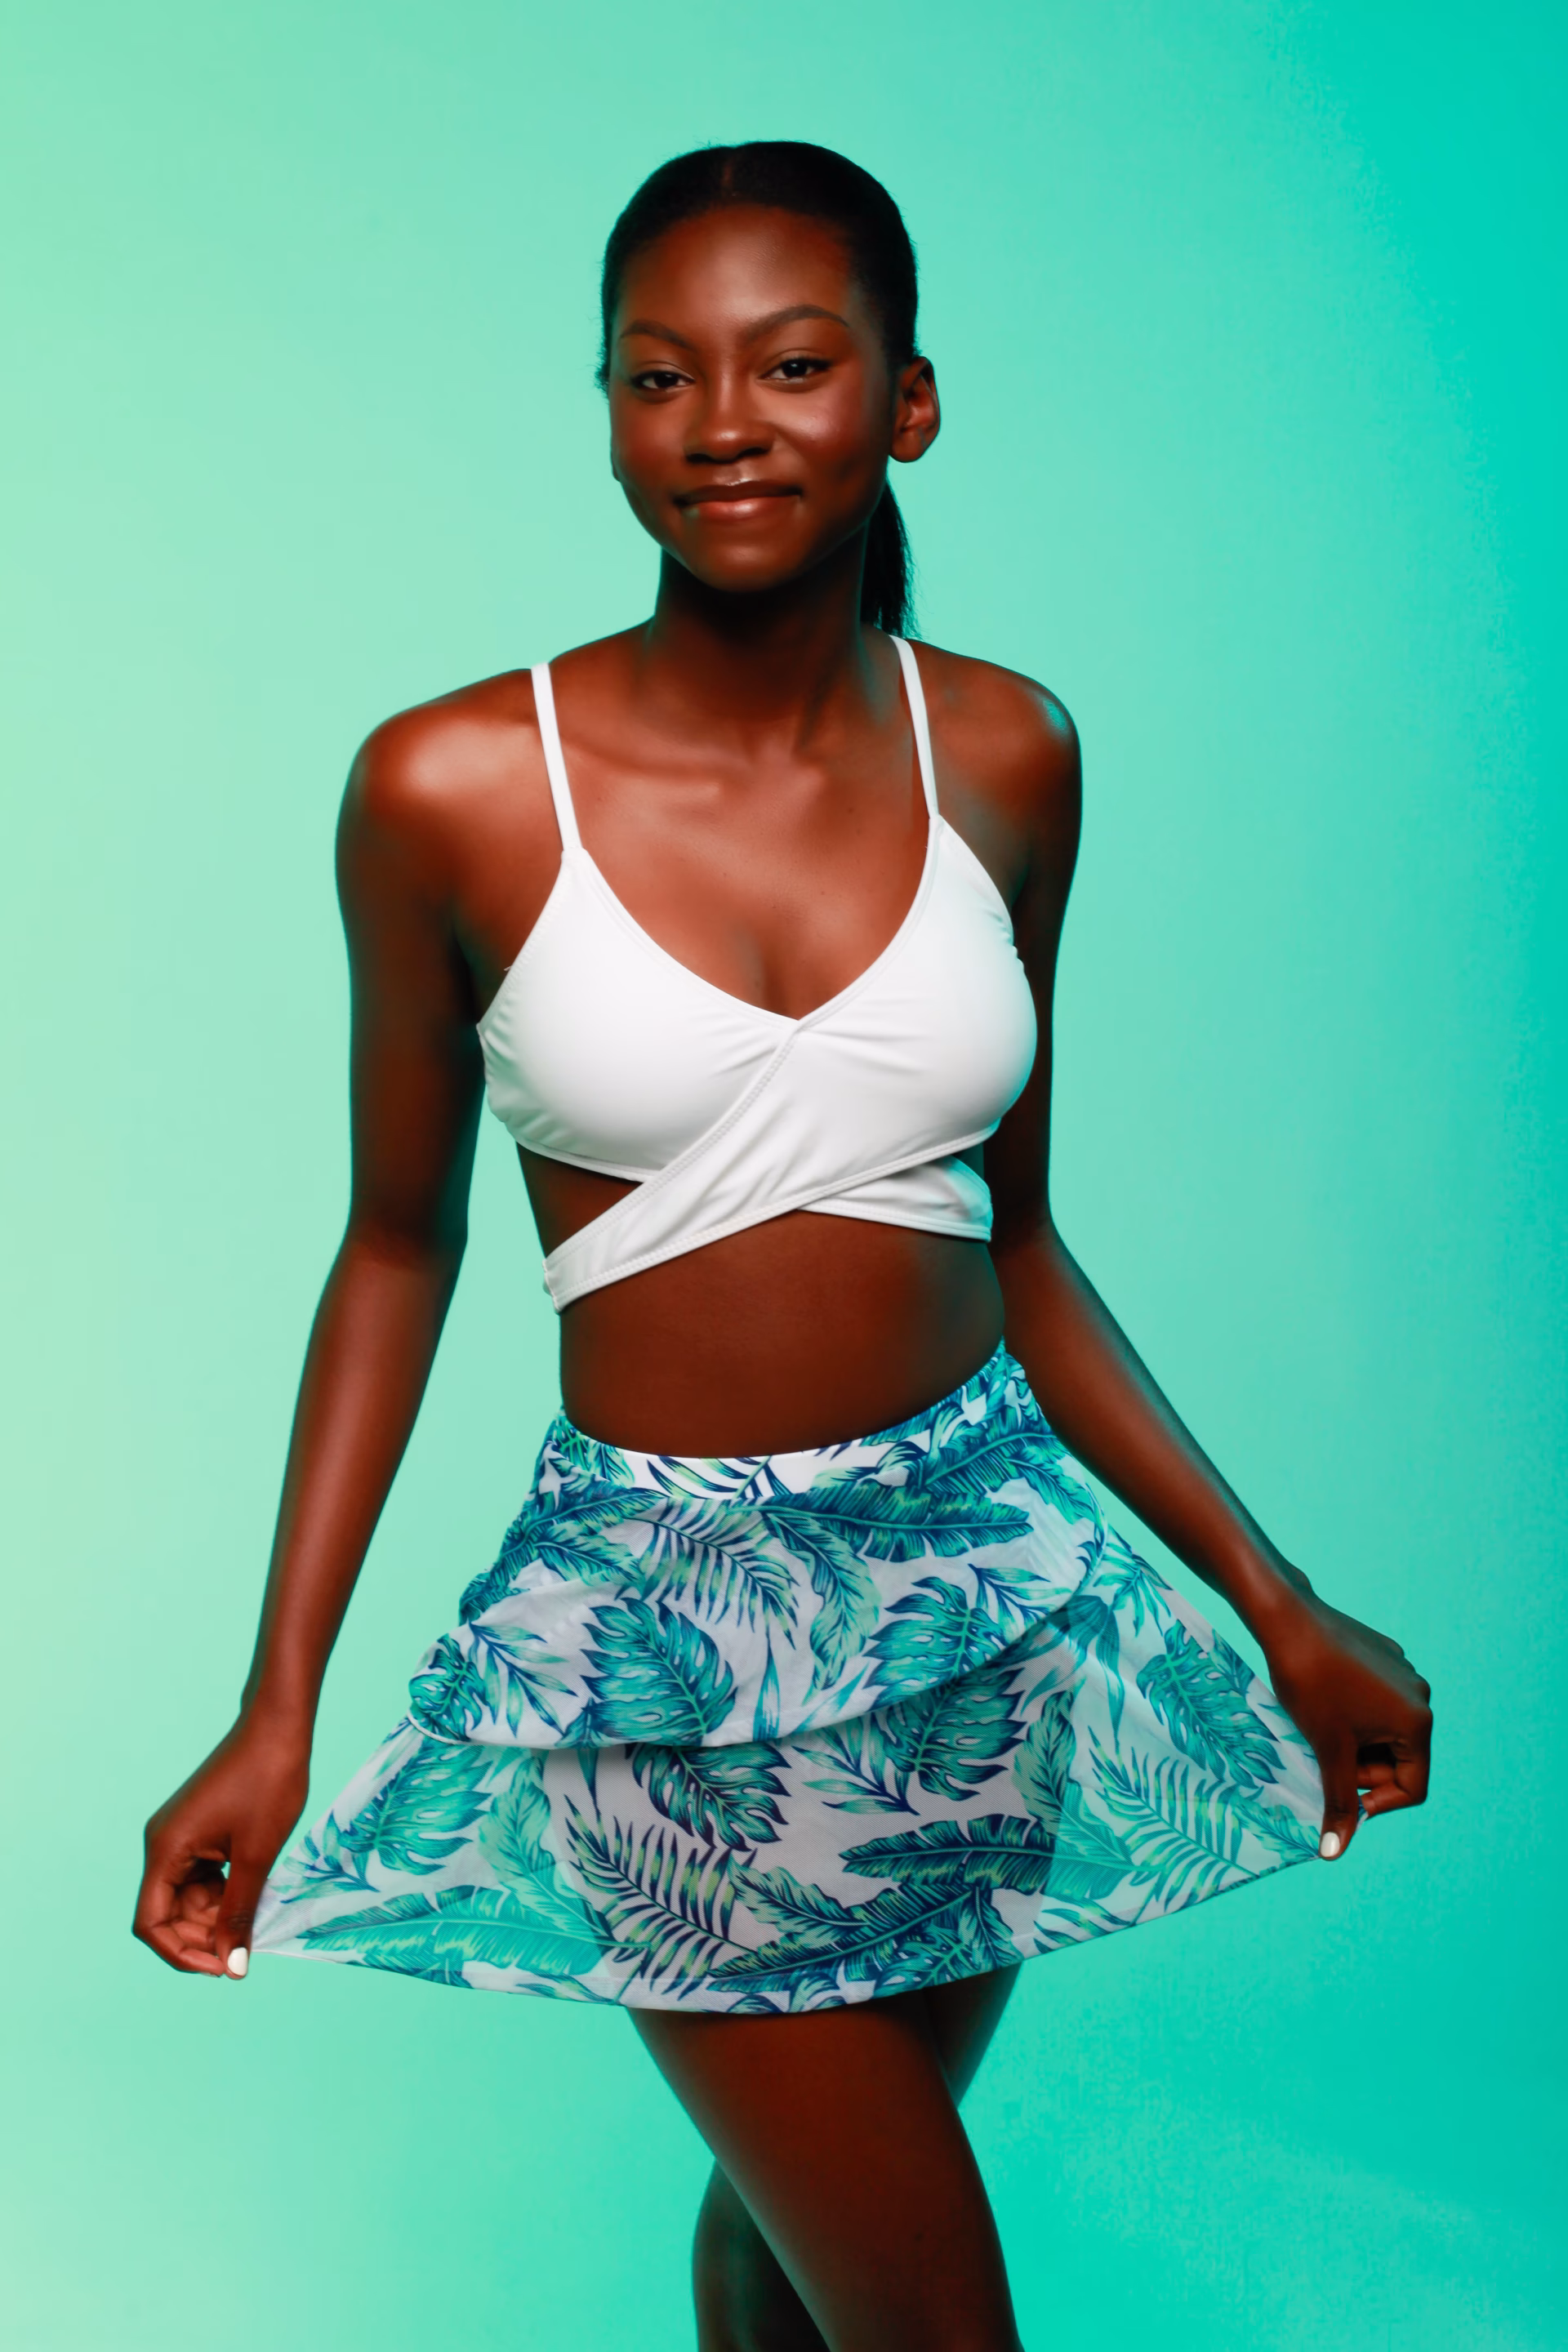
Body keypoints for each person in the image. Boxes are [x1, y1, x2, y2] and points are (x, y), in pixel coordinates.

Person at [134, 142, 1432, 2352]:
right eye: (660, 375)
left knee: (780, 2247)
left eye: (793, 364)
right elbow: (393, 1253)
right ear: (609, 412)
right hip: (661, 1647)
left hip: (981, 1614)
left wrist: (1275, 1599)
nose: (721, 421)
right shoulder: (453, 786)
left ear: (907, 401)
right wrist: (279, 1708)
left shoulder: (1005, 751)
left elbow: (1017, 1240)